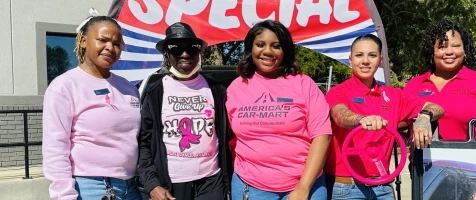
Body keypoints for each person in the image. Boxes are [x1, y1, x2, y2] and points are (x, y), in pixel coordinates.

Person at [324, 33, 445, 200]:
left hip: (383, 187)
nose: (365, 61)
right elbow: (339, 114)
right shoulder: (338, 92)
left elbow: (437, 108)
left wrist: (424, 117)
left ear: (380, 60)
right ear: (350, 60)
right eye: (359, 55)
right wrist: (361, 120)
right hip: (345, 188)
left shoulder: (394, 95)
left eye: (372, 55)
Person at [226, 20, 332, 200]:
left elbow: (322, 135)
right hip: (250, 188)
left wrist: (303, 189)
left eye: (276, 46)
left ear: (285, 51)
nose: (267, 51)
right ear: (251, 48)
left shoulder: (304, 84)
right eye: (260, 45)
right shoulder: (236, 88)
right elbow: (228, 136)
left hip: (305, 188)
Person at [42, 12, 143, 200]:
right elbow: (55, 147)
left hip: (131, 187)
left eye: (116, 43)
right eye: (102, 40)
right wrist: (64, 194)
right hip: (89, 189)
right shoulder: (65, 86)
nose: (110, 48)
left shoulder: (129, 88)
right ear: (83, 41)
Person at [137, 22, 232, 200]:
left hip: (212, 183)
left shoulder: (216, 90)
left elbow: (228, 138)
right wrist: (152, 184)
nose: (185, 54)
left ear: (199, 52)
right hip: (171, 185)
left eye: (192, 49)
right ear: (167, 54)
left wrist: (226, 185)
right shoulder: (154, 92)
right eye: (176, 49)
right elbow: (144, 144)